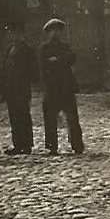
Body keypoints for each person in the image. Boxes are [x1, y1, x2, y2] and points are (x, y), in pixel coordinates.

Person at [39, 18, 84, 155]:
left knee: (72, 117)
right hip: (52, 87)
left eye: (58, 30)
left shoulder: (66, 46)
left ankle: (77, 145)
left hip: (66, 86)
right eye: (52, 30)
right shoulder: (44, 48)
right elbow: (42, 65)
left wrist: (57, 60)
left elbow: (72, 58)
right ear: (48, 33)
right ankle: (52, 147)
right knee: (50, 118)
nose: (55, 33)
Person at [0, 18, 38, 154]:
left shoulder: (27, 50)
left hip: (21, 88)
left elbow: (33, 70)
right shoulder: (10, 49)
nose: (9, 35)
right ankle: (18, 144)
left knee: (23, 115)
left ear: (19, 33)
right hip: (10, 88)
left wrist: (24, 81)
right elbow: (5, 68)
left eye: (11, 32)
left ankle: (26, 145)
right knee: (14, 116)